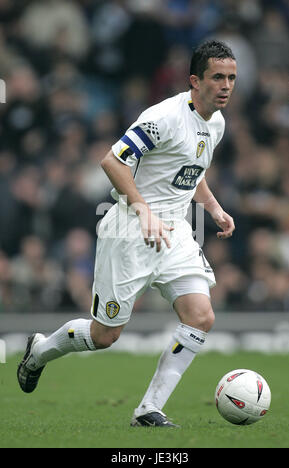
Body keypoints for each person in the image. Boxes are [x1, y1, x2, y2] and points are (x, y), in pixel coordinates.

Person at [17, 40, 237, 427]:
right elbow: (112, 160)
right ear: (194, 81)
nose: (226, 86)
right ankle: (40, 350)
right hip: (131, 230)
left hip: (176, 232)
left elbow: (191, 171)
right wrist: (143, 210)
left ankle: (148, 409)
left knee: (200, 317)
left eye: (231, 78)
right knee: (105, 336)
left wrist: (214, 208)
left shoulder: (216, 123)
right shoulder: (163, 117)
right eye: (217, 77)